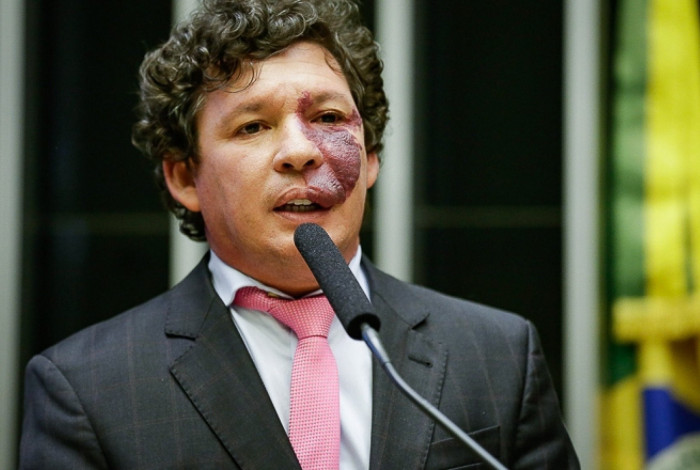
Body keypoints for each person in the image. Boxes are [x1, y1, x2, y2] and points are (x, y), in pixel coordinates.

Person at [19, 0, 579, 468]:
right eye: (253, 126)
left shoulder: (498, 355)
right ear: (185, 177)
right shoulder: (87, 390)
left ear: (372, 156)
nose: (301, 151)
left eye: (329, 119)